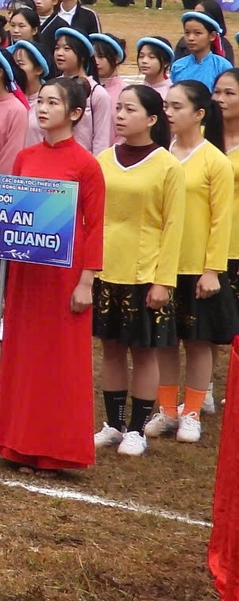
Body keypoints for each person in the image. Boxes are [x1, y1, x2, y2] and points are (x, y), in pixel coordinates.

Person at [0, 77, 107, 471]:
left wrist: (86, 281)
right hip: (27, 272)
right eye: (40, 101)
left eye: (53, 103)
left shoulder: (86, 165)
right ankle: (18, 442)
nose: (42, 109)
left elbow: (94, 227)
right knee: (23, 354)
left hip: (64, 275)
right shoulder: (25, 157)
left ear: (75, 113)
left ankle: (56, 449)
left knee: (58, 360)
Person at [93, 84, 183, 457]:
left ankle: (138, 429)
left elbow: (174, 227)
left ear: (151, 118)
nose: (120, 115)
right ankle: (113, 423)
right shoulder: (102, 158)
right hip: (105, 269)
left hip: (145, 272)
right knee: (111, 349)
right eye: (118, 108)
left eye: (129, 110)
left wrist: (163, 280)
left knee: (143, 352)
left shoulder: (167, 166)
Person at [151, 81, 237, 445]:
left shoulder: (214, 161)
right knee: (165, 340)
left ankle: (192, 410)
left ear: (199, 114)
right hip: (163, 265)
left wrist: (211, 270)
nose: (168, 113)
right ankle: (167, 409)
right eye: (166, 106)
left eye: (177, 107)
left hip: (197, 264)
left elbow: (221, 220)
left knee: (199, 342)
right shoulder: (160, 155)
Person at [175, 11, 233, 90]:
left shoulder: (222, 66)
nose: (190, 38)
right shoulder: (178, 66)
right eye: (187, 33)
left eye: (197, 33)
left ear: (212, 36)